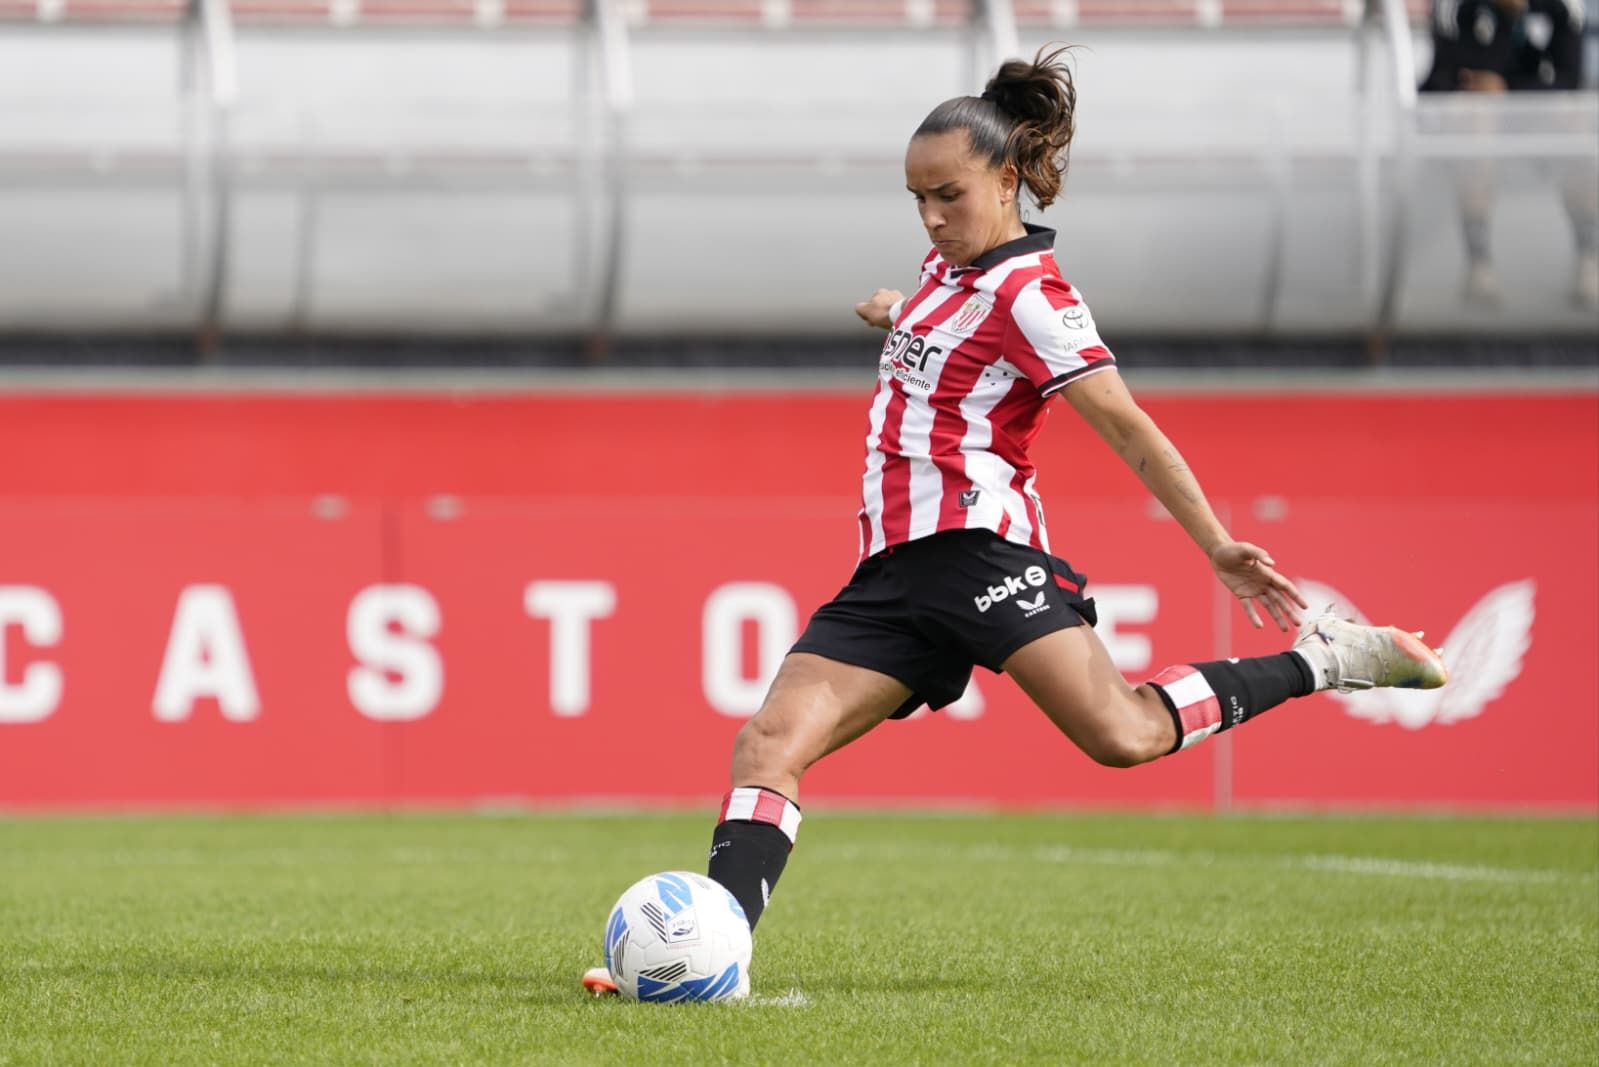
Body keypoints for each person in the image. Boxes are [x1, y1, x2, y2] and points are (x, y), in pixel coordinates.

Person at [583, 46, 1448, 998]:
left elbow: (1125, 424)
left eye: (946, 195)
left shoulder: (1035, 297)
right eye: (916, 199)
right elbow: (942, 329)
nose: (930, 216)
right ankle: (710, 955)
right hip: (892, 574)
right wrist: (897, 309)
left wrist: (1219, 548)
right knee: (768, 743)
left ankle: (1329, 659)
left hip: (980, 554)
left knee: (1121, 734)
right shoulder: (943, 269)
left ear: (1005, 179)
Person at [1419, 0, 1597, 307]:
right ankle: (1479, 262)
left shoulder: (1563, 7)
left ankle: (1589, 256)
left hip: (1537, 123)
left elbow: (1570, 78)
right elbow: (1439, 79)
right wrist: (1483, 84)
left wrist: (1509, 90)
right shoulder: (1455, 6)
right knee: (1475, 112)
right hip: (1469, 134)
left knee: (1580, 118)